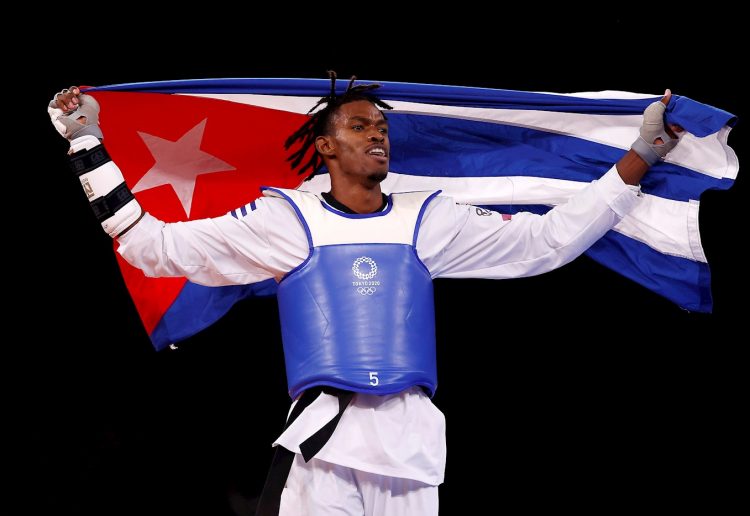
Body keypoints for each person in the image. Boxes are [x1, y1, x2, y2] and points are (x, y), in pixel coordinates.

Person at [49, 73, 682, 515]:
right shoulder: (282, 220)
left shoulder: (428, 218)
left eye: (381, 126)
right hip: (324, 446)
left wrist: (641, 156)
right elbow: (149, 245)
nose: (377, 134)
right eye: (359, 125)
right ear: (325, 147)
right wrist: (86, 142)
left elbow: (546, 243)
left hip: (410, 446)